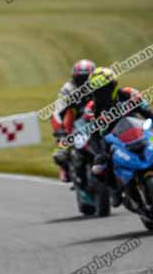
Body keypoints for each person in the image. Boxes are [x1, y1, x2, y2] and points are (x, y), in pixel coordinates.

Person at [83, 67, 153, 206]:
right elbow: (93, 135)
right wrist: (99, 153)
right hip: (112, 138)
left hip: (138, 132)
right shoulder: (91, 108)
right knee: (99, 165)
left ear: (113, 85)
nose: (101, 92)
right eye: (97, 89)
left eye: (105, 88)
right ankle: (114, 189)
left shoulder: (129, 94)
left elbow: (148, 114)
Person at [51, 60, 96, 182]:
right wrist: (60, 130)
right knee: (68, 114)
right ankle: (65, 164)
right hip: (76, 121)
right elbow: (57, 110)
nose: (83, 81)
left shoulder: (99, 85)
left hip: (96, 118)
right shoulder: (68, 89)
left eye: (86, 77)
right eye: (80, 78)